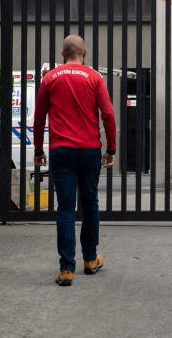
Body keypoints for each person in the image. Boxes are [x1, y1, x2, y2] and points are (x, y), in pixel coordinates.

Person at [33, 35, 116, 287]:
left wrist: (38, 149)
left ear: (62, 54)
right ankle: (90, 259)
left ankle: (67, 268)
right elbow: (108, 114)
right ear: (84, 53)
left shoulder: (50, 78)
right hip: (89, 150)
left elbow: (39, 118)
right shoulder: (94, 78)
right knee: (90, 202)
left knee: (66, 208)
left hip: (62, 151)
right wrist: (111, 148)